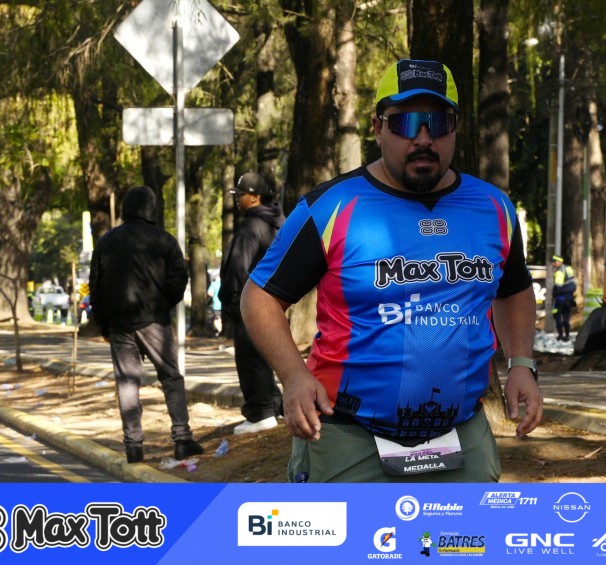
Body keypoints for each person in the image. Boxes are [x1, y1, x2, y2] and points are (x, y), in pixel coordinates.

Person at [240, 59, 542, 483]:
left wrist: (522, 363)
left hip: (461, 436)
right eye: (405, 123)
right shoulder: (330, 207)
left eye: (438, 123)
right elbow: (260, 296)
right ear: (377, 127)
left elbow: (514, 289)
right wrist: (292, 376)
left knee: (472, 530)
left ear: (456, 128)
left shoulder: (493, 208)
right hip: (347, 436)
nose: (423, 139)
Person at [89, 185, 203, 464]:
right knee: (171, 378)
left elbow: (95, 286)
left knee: (127, 382)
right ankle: (182, 439)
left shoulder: (106, 241)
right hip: (154, 321)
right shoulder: (164, 240)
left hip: (119, 324)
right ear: (152, 208)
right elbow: (179, 280)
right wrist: (163, 305)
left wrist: (104, 324)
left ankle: (133, 446)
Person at [219, 172, 285, 435]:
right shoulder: (281, 223)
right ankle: (274, 406)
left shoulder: (251, 225)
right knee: (265, 356)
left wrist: (231, 301)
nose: (238, 200)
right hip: (276, 301)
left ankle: (260, 414)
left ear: (255, 197)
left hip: (249, 302)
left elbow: (237, 267)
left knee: (250, 358)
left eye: (242, 195)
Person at [550, 255, 576, 341]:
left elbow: (558, 286)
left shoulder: (559, 272)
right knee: (566, 316)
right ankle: (567, 335)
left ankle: (561, 335)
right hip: (569, 297)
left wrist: (554, 296)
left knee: (557, 315)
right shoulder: (568, 268)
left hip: (560, 298)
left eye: (554, 262)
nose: (553, 264)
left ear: (559, 262)